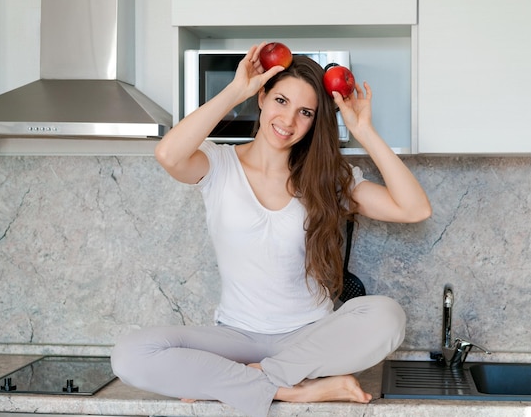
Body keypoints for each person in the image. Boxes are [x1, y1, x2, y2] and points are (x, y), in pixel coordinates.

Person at [111, 42, 432, 417]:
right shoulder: (218, 165)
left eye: (305, 112)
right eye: (280, 101)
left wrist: (364, 130)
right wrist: (236, 90)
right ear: (262, 96)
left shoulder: (326, 180)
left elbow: (415, 209)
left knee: (386, 315)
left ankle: (256, 383)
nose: (289, 120)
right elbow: (168, 154)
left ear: (315, 121)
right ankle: (295, 392)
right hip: (235, 338)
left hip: (310, 337)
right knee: (130, 355)